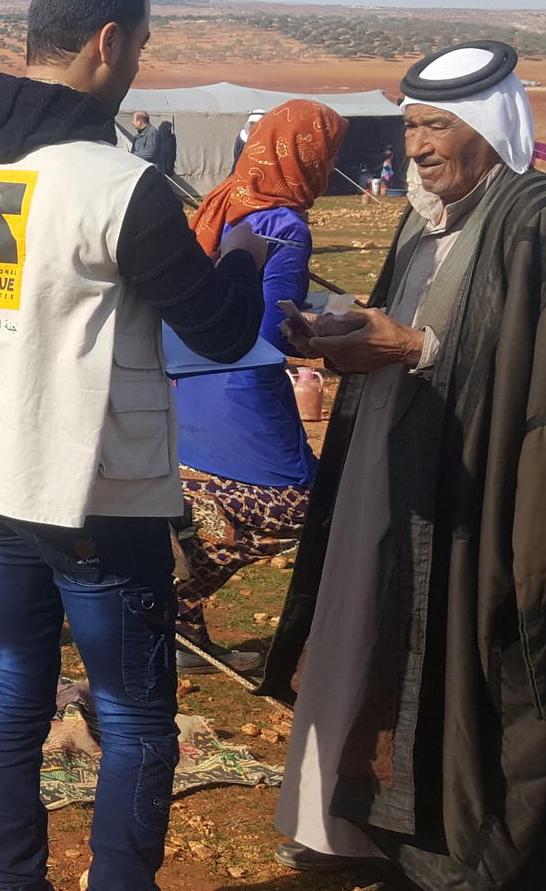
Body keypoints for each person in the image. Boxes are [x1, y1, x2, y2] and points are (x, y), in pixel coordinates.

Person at [0, 0, 267, 891]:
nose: (140, 65)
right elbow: (222, 332)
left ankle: (12, 877)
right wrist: (238, 255)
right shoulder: (118, 188)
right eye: (143, 46)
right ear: (109, 44)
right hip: (95, 492)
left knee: (14, 687)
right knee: (136, 715)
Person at [262, 40, 546, 890]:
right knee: (370, 628)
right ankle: (359, 818)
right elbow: (405, 329)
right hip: (390, 463)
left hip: (486, 484)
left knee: (487, 642)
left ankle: (474, 843)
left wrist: (417, 349)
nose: (416, 147)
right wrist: (345, 339)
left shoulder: (538, 216)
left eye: (436, 127)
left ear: (488, 128)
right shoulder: (423, 220)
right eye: (411, 125)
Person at [170, 99, 346, 674]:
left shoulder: (223, 204)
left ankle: (179, 625)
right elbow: (268, 325)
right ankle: (169, 599)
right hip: (238, 388)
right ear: (308, 154)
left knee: (207, 492)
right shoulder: (283, 223)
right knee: (298, 503)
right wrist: (327, 336)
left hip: (185, 380)